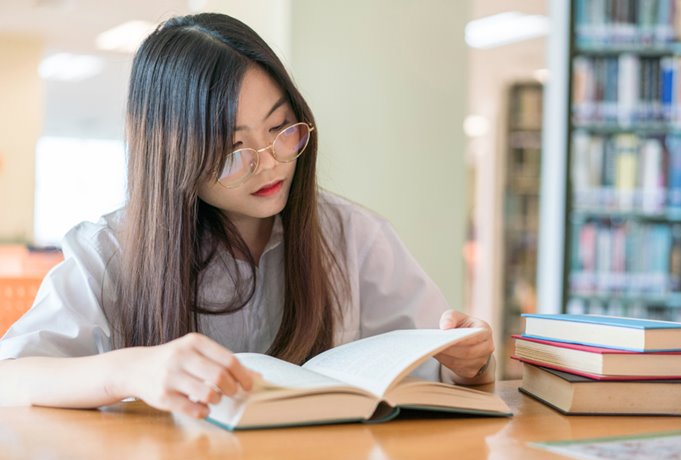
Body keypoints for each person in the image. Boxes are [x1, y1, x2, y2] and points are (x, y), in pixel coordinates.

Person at [0, 13, 495, 419]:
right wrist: (130, 371)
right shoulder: (111, 250)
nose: (271, 161)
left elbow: (439, 370)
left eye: (281, 127)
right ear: (172, 157)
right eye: (232, 148)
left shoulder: (352, 236)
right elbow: (11, 377)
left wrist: (468, 362)